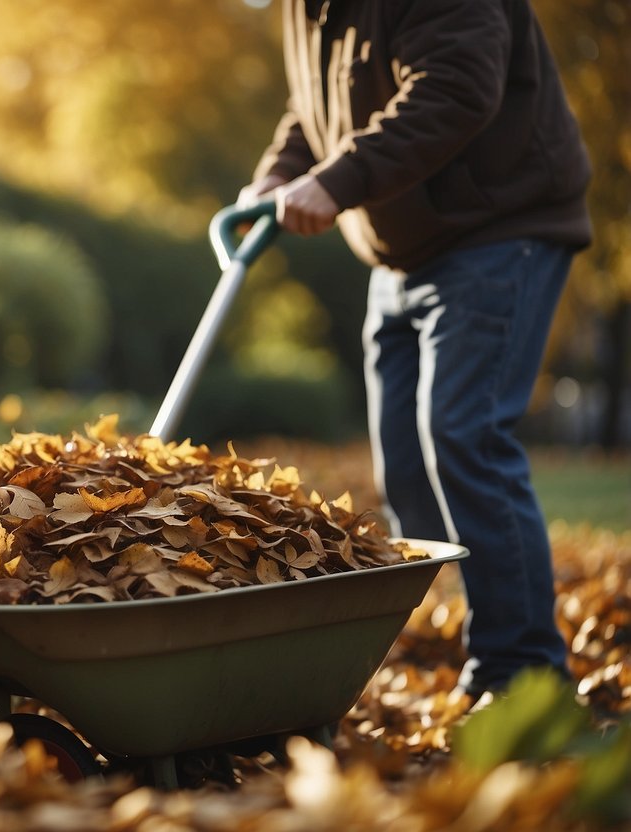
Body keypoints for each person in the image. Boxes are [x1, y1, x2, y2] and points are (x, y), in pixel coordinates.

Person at [238, 0, 591, 702]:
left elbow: (457, 87)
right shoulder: (305, 9)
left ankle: (522, 676)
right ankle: (457, 635)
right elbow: (316, 104)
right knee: (403, 464)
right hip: (400, 252)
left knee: (463, 438)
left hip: (497, 228)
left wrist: (336, 182)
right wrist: (280, 171)